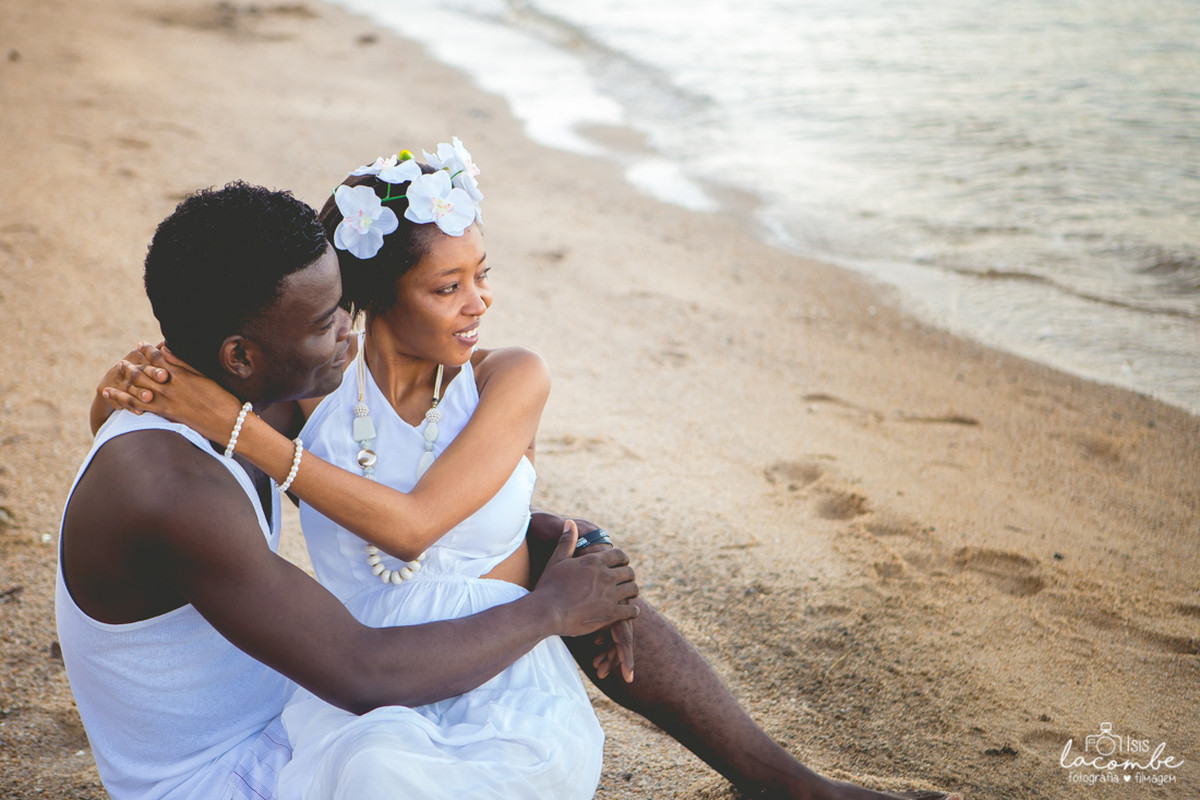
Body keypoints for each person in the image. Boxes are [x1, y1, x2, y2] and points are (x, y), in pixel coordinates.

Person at [96, 157, 960, 800]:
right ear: (381, 298)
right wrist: (122, 395)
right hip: (374, 680)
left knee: (549, 631)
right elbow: (171, 447)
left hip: (498, 668)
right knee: (381, 772)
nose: (479, 301)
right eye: (447, 287)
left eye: (483, 277)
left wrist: (545, 543)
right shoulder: (309, 400)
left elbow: (421, 525)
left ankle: (780, 779)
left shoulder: (508, 379)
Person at [61, 180, 639, 800]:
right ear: (240, 357)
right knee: (404, 771)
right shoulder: (178, 486)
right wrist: (549, 610)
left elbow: (371, 492)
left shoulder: (236, 414)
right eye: (323, 321)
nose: (349, 330)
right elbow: (365, 672)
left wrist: (540, 526)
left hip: (287, 717)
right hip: (230, 773)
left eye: (346, 306)